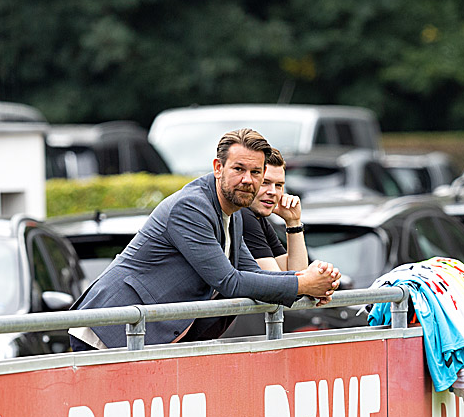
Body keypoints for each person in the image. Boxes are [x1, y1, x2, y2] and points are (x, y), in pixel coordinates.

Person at [68, 128, 341, 350]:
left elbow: (254, 273)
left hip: (140, 336)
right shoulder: (191, 208)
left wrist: (311, 286)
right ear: (218, 168)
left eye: (256, 172)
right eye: (238, 169)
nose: (248, 180)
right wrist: (304, 283)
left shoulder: (231, 215)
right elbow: (229, 281)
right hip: (106, 335)